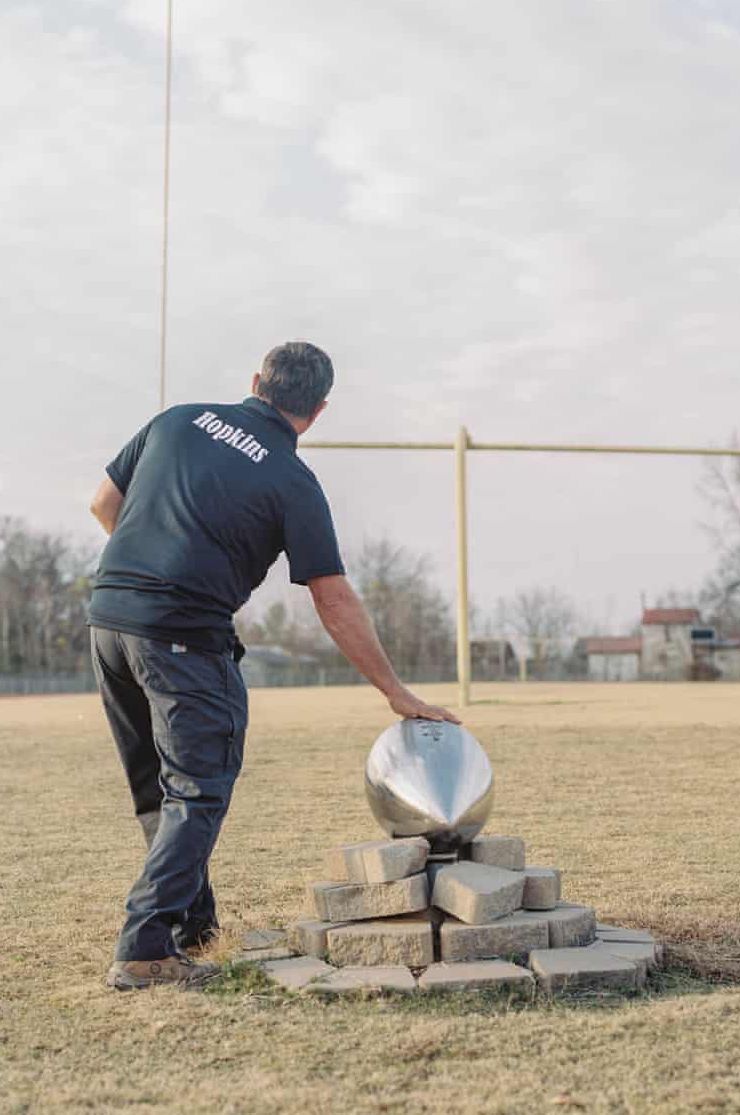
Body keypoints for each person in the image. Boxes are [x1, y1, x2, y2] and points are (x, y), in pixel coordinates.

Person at [88, 341, 459, 991]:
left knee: (159, 789)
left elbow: (102, 503)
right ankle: (144, 948)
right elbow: (333, 598)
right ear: (316, 411)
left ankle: (192, 930)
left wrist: (147, 569)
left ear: (255, 380)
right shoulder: (293, 481)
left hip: (108, 623)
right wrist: (396, 693)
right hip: (182, 638)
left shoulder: (176, 419)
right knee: (197, 791)